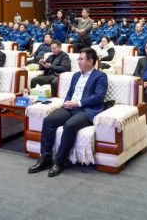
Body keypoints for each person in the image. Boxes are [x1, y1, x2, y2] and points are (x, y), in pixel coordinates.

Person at [28, 48, 108, 177]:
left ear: (90, 61)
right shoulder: (76, 75)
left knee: (69, 125)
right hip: (71, 108)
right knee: (48, 121)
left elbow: (99, 97)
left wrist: (78, 103)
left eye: (81, 59)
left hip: (87, 110)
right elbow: (70, 93)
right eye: (78, 59)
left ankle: (59, 162)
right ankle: (45, 158)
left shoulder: (100, 76)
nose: (78, 61)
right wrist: (66, 102)